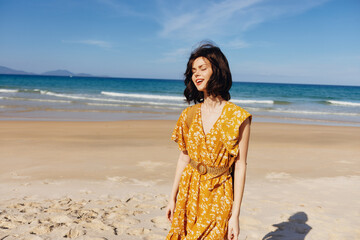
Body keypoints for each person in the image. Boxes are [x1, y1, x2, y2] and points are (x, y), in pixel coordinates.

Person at [165, 42, 252, 240]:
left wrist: (235, 215)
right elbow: (183, 159)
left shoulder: (238, 117)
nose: (196, 74)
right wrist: (172, 198)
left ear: (218, 71)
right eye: (193, 70)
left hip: (219, 193)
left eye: (203, 68)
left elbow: (240, 166)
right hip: (188, 191)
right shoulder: (188, 115)